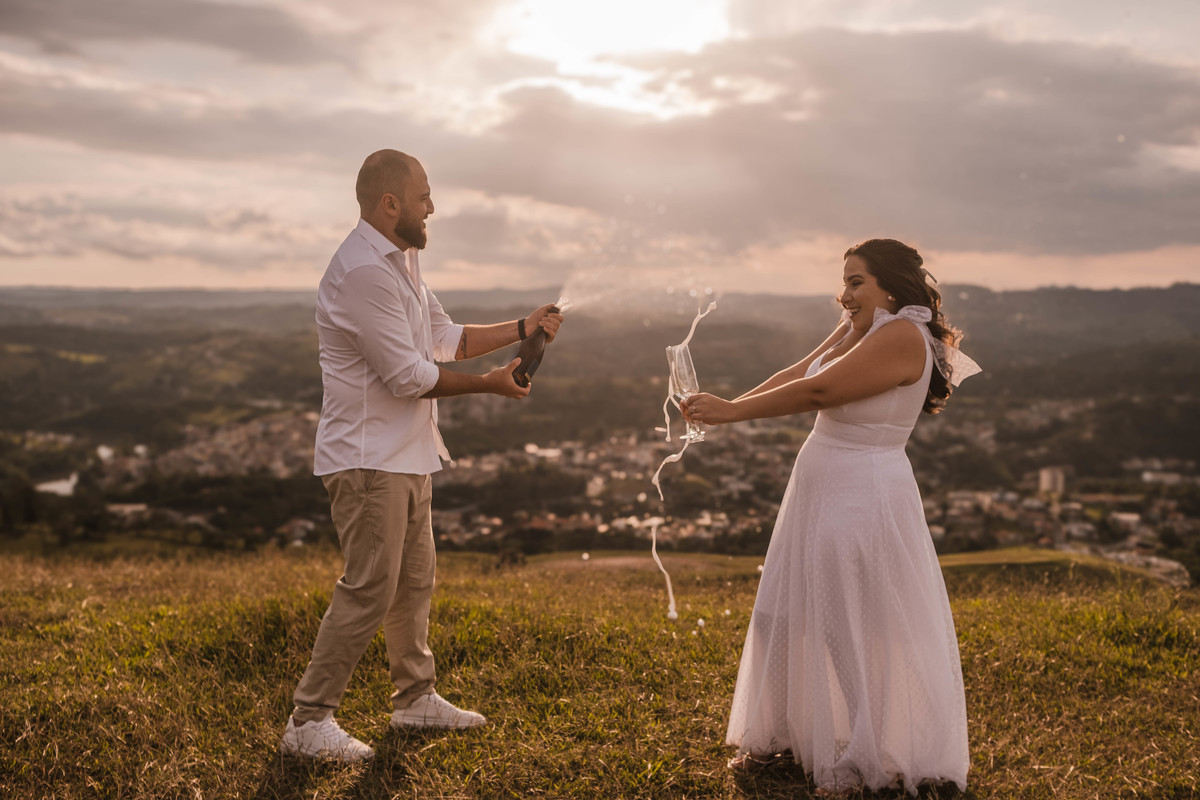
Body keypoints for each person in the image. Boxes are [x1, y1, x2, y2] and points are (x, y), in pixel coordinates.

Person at [280, 149, 564, 762]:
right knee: (370, 587)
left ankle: (414, 700)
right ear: (391, 204)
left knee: (413, 583)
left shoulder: (401, 262)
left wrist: (522, 326)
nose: (431, 206)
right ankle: (309, 721)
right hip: (367, 459)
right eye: (424, 195)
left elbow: (445, 338)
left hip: (407, 454)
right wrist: (491, 384)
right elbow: (409, 376)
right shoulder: (362, 272)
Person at [682, 239, 979, 796]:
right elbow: (799, 371)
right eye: (844, 282)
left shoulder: (902, 334)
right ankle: (794, 733)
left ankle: (871, 754)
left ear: (891, 285)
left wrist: (735, 412)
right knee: (785, 610)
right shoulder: (864, 327)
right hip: (821, 479)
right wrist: (725, 408)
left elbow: (820, 390)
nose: (844, 294)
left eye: (856, 282)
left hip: (862, 486)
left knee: (850, 624)